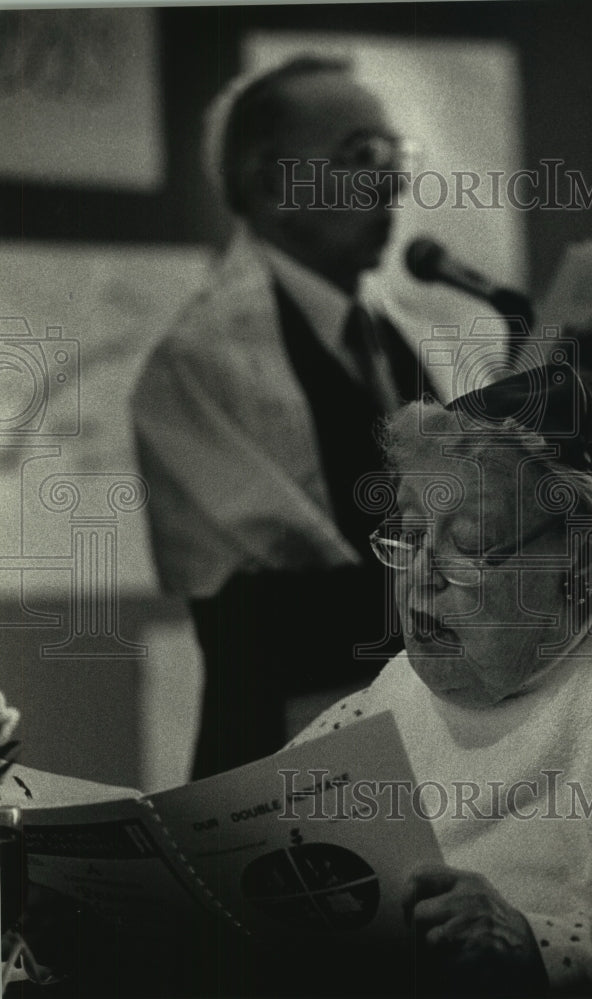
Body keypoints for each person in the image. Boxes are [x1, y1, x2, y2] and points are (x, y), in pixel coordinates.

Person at [287, 363, 592, 994]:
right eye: (410, 535)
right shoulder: (373, 712)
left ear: (585, 556)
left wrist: (537, 945)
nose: (422, 576)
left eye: (470, 542)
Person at [132, 57, 437, 777]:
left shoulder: (393, 336)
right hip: (284, 767)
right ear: (273, 185)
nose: (393, 180)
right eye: (362, 155)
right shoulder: (202, 362)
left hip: (418, 743)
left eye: (397, 157)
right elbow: (278, 605)